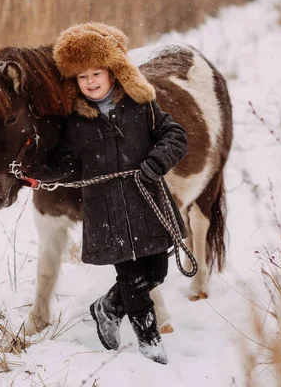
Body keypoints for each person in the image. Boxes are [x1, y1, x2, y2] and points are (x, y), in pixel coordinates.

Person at [29, 22, 188, 364]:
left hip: (147, 203)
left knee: (156, 273)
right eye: (82, 76)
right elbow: (64, 163)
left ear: (113, 73)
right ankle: (150, 346)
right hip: (108, 213)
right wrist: (35, 172)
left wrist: (157, 162)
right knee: (131, 279)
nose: (90, 81)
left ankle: (106, 307)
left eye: (96, 73)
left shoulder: (140, 106)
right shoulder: (76, 123)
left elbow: (175, 136)